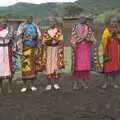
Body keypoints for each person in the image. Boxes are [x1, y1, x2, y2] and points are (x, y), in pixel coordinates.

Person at [70, 16, 98, 90]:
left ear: (85, 20)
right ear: (78, 19)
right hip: (78, 49)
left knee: (84, 67)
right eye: (80, 18)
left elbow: (92, 38)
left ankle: (83, 83)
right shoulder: (75, 27)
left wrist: (91, 41)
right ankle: (76, 84)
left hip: (86, 49)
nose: (82, 20)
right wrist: (74, 44)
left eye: (83, 19)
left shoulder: (88, 28)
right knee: (77, 67)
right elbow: (73, 38)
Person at [17, 16, 41, 92]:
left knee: (33, 66)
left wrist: (36, 37)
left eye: (31, 18)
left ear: (32, 19)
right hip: (25, 50)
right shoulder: (21, 26)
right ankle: (24, 85)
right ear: (25, 19)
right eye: (28, 18)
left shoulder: (35, 26)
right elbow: (18, 37)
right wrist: (22, 32)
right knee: (25, 67)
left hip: (33, 49)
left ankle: (32, 85)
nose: (29, 20)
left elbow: (39, 36)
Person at [41, 18, 64, 91]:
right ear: (49, 23)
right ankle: (49, 84)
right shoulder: (46, 31)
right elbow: (43, 41)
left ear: (55, 23)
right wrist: (48, 41)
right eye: (50, 22)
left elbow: (61, 40)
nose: (52, 23)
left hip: (56, 50)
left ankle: (56, 83)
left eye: (53, 22)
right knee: (48, 66)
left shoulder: (59, 31)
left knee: (56, 66)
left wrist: (56, 41)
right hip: (48, 51)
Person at [100, 17, 120, 89]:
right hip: (107, 52)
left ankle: (113, 83)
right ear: (110, 23)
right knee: (107, 68)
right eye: (112, 22)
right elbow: (103, 40)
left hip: (116, 52)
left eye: (115, 22)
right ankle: (106, 83)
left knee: (115, 69)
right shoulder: (106, 30)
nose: (114, 23)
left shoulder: (118, 30)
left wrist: (117, 36)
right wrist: (111, 34)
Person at [0, 18, 15, 93]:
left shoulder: (9, 31)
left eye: (5, 22)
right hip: (0, 50)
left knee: (9, 69)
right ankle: (1, 87)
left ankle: (9, 87)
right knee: (0, 69)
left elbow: (12, 41)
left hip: (8, 50)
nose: (4, 23)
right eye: (3, 22)